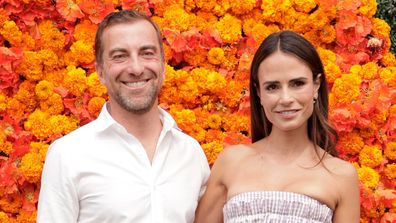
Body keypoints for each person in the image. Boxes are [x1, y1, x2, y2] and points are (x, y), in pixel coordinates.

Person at [37, 10, 210, 223]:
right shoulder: (68, 155)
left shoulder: (190, 153)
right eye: (120, 56)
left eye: (147, 53)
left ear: (163, 66)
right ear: (100, 71)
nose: (136, 68)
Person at [194, 30, 360, 223]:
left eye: (297, 83)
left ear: (316, 85)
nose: (286, 99)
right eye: (272, 87)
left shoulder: (340, 175)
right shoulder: (231, 162)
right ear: (258, 92)